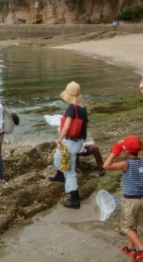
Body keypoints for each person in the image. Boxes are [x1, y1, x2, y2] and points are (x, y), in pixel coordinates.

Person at [103, 135, 143, 261]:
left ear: (125, 151)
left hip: (130, 200)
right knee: (133, 225)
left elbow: (106, 166)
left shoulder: (125, 164)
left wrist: (115, 151)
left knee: (126, 227)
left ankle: (142, 249)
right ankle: (130, 248)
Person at [54, 81, 89, 209]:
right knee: (58, 155)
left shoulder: (71, 108)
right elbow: (86, 125)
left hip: (71, 141)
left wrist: (59, 139)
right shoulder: (83, 107)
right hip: (78, 141)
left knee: (70, 171)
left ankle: (75, 200)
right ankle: (58, 175)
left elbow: (67, 127)